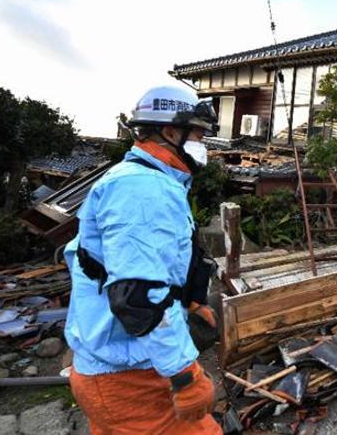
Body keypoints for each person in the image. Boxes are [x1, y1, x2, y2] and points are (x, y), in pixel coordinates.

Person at [64, 86, 222, 434]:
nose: (203, 144)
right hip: (128, 380)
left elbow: (101, 266)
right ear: (170, 132)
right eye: (198, 133)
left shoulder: (136, 180)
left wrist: (188, 306)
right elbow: (139, 296)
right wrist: (185, 374)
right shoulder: (144, 189)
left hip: (110, 372)